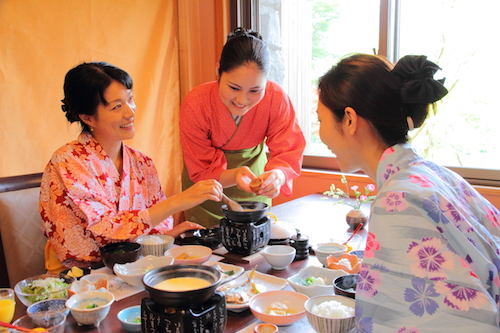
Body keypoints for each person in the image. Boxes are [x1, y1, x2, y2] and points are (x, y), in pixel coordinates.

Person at [317, 54, 500, 331]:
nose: (320, 134)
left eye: (320, 120)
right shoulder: (433, 173)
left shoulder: (398, 201)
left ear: (350, 120)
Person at [40, 62, 224, 272]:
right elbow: (105, 227)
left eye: (130, 99)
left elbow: (152, 227)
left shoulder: (142, 163)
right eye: (117, 106)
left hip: (135, 267)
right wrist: (178, 201)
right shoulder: (68, 161)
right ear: (87, 117)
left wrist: (164, 237)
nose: (130, 112)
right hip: (81, 275)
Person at [180, 27, 306, 226]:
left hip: (255, 186)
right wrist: (235, 175)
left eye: (255, 90)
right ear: (218, 72)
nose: (242, 100)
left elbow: (288, 148)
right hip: (206, 191)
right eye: (234, 87)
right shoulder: (196, 103)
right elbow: (200, 168)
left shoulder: (276, 98)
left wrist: (277, 177)